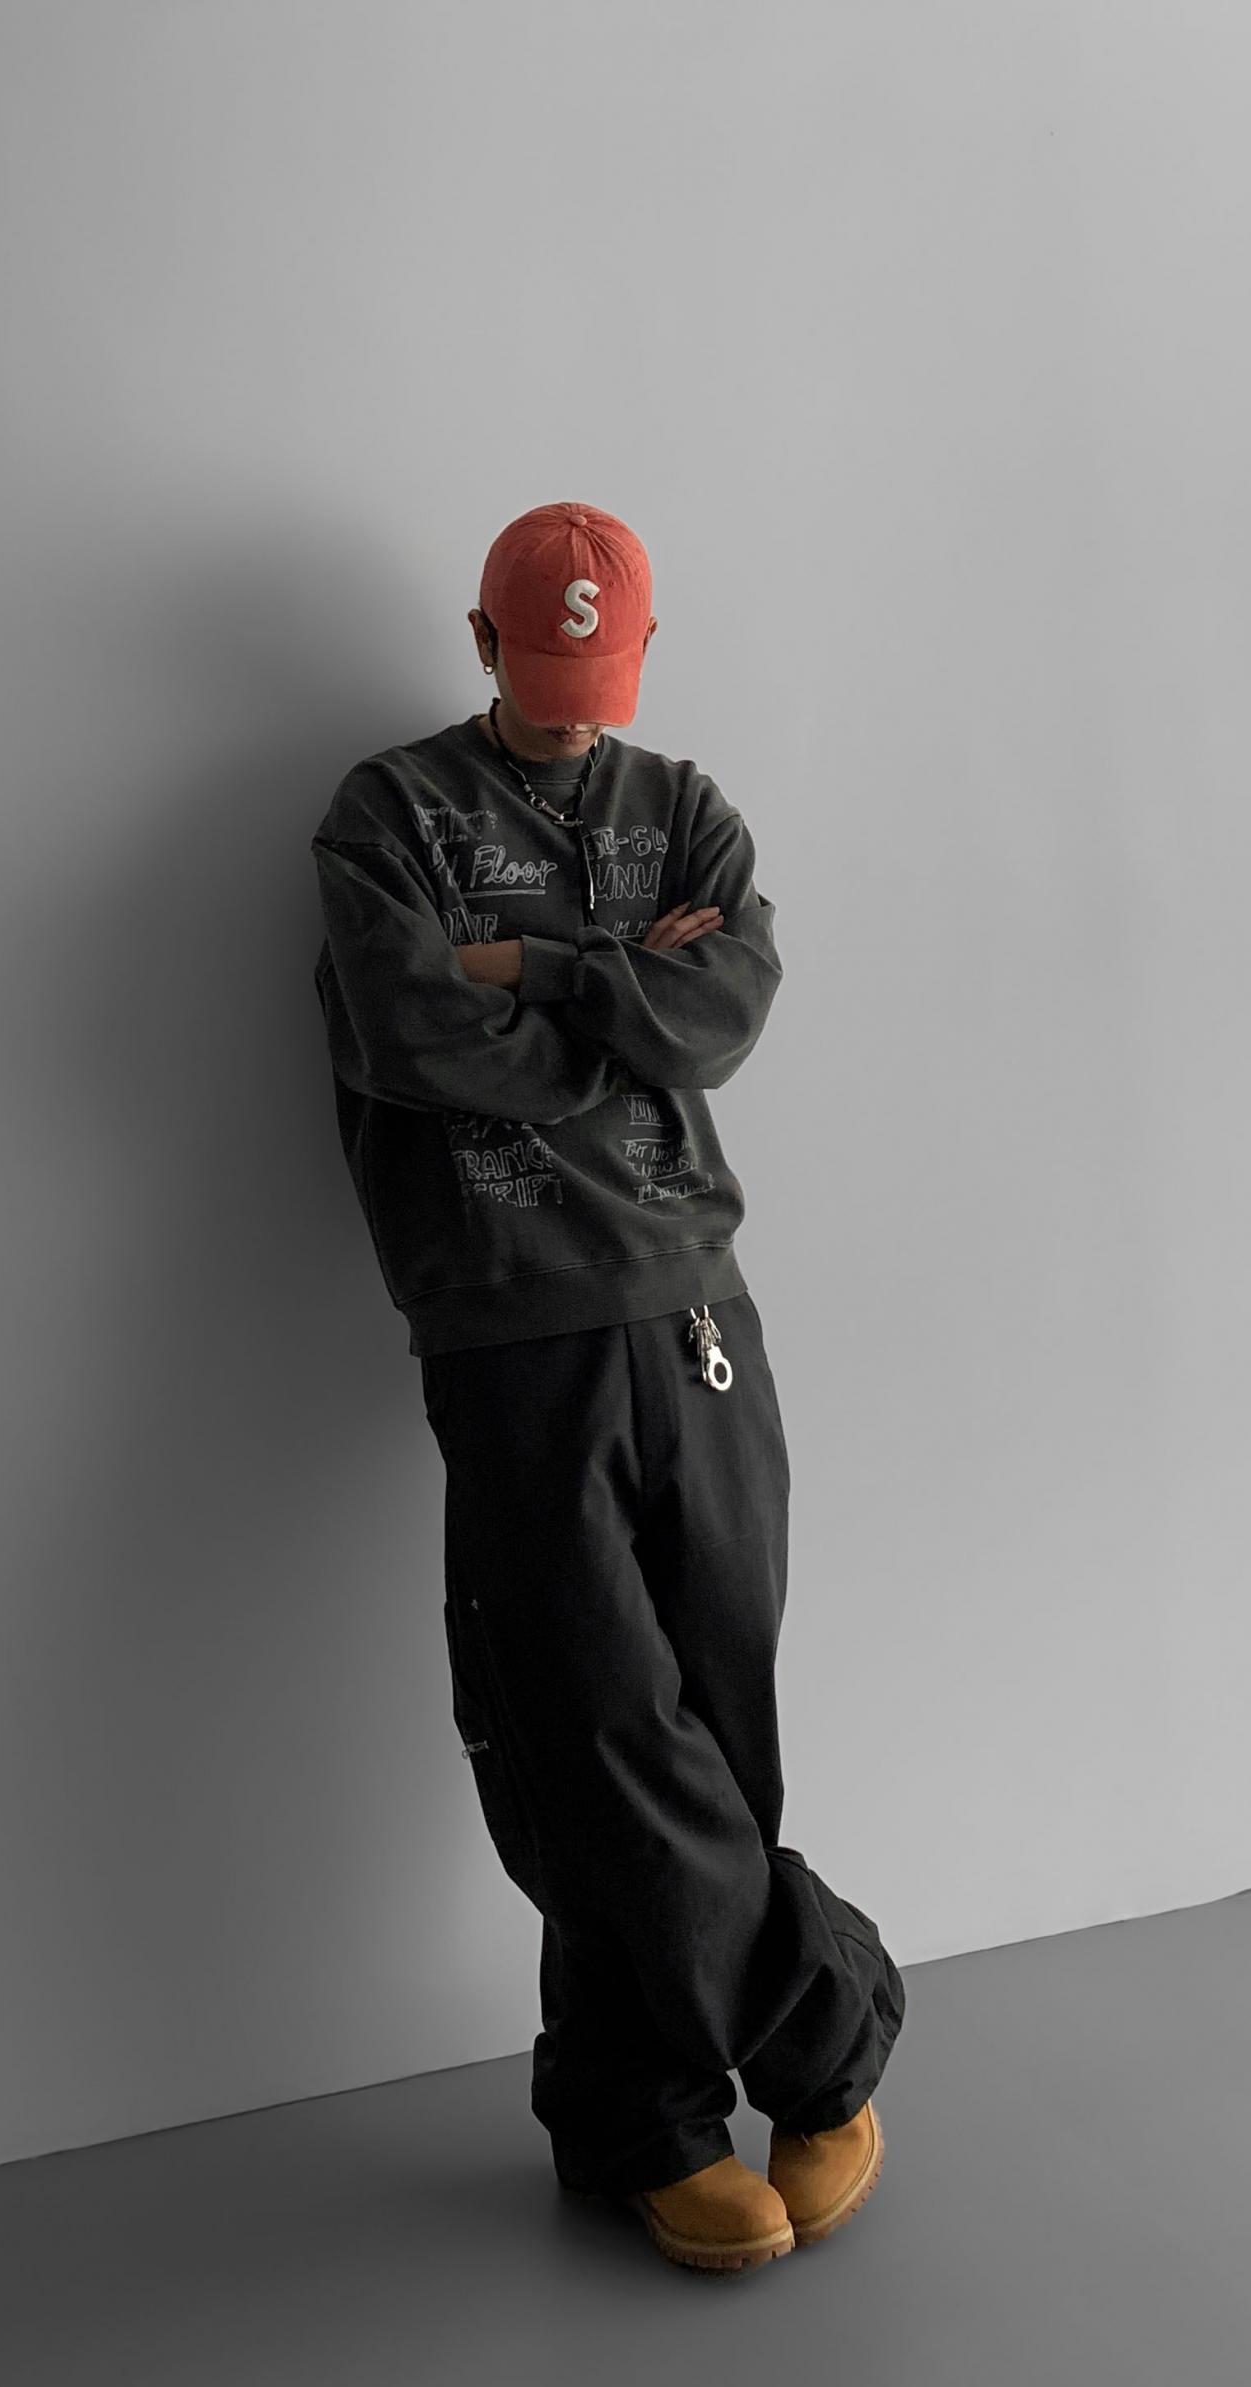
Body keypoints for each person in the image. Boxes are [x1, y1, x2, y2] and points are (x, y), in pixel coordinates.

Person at [307, 501, 905, 2275]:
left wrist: (544, 972)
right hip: (510, 1328)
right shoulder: (389, 816)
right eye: (544, 678)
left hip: (704, 1311)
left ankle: (630, 2116)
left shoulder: (687, 808)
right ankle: (829, 2038)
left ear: (639, 658)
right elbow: (413, 1033)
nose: (577, 721)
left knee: (711, 1728)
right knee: (592, 1733)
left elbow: (724, 1012)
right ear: (481, 642)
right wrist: (624, 999)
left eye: (605, 685)